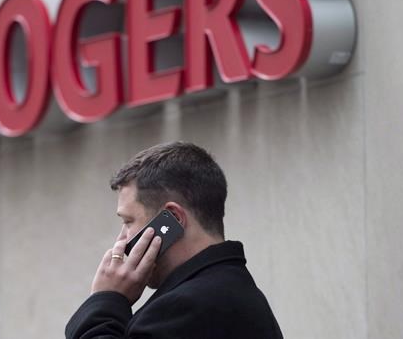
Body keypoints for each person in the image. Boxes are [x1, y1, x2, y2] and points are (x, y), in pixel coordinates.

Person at [65, 141, 283, 338]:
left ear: (173, 219)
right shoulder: (230, 290)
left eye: (128, 221)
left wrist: (105, 301)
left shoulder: (189, 305)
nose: (122, 240)